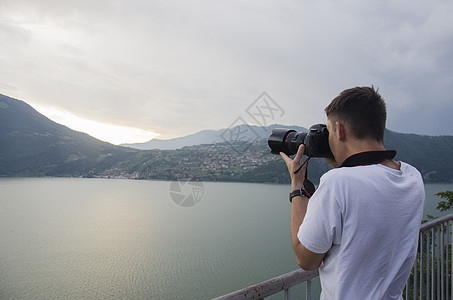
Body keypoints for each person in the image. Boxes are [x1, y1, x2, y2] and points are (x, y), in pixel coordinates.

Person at [280, 86, 425, 299]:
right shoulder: (412, 177)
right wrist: (342, 154)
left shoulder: (337, 183)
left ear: (339, 130)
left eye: (329, 131)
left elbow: (306, 259)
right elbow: (367, 176)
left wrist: (297, 186)